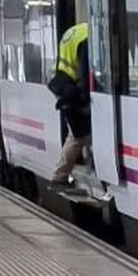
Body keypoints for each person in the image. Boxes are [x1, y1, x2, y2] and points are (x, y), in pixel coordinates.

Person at [49, 23, 92, 186]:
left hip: (62, 84)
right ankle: (59, 177)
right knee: (78, 136)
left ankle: (62, 174)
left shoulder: (77, 30)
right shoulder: (87, 39)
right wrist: (86, 97)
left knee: (77, 133)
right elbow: (85, 72)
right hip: (72, 91)